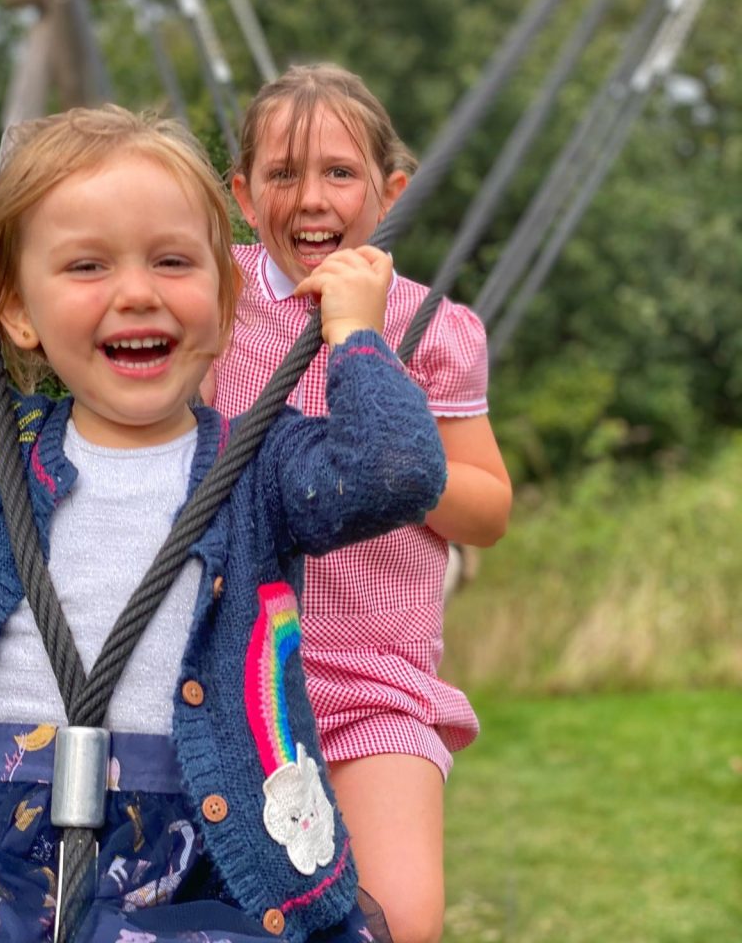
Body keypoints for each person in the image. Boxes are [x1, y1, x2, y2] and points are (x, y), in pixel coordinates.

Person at [0, 104, 447, 943]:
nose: (136, 293)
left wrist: (358, 340)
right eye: (86, 265)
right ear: (16, 311)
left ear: (226, 302)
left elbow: (396, 473)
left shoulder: (261, 462)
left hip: (211, 848)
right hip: (4, 859)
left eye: (173, 261)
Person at [209, 63, 513, 943]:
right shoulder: (211, 300)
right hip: (231, 664)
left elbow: (487, 508)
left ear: (391, 191)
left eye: (339, 173)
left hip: (372, 677)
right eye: (281, 174)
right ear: (241, 193)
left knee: (401, 918)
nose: (311, 198)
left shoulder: (429, 329)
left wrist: (394, 460)